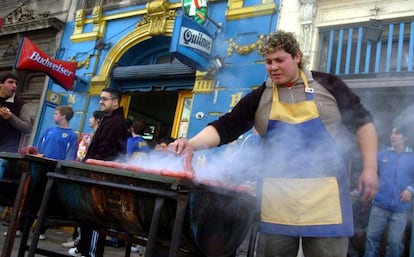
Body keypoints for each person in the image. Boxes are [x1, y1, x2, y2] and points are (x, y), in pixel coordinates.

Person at [169, 30, 379, 257]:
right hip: (277, 199)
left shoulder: (328, 85)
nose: (273, 67)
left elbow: (363, 123)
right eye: (268, 62)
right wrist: (190, 143)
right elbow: (226, 126)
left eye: (280, 60)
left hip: (325, 199)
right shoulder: (261, 96)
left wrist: (370, 168)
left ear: (297, 57)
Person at [69, 88, 129, 257]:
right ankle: (84, 248)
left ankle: (91, 252)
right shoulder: (109, 120)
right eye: (100, 98)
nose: (101, 101)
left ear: (115, 102)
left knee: (96, 216)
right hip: (95, 174)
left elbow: (106, 152)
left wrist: (93, 168)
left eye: (105, 99)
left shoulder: (116, 122)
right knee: (89, 215)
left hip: (101, 176)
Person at [363, 126, 414, 257]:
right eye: (392, 133)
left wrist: (410, 189)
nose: (393, 136)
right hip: (379, 206)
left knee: (395, 243)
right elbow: (371, 173)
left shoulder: (412, 157)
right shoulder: (382, 155)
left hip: (400, 209)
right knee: (371, 240)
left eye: (397, 133)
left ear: (406, 138)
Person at [0, 72, 32, 152]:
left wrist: (11, 116)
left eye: (16, 83)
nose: (14, 86)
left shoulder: (21, 105)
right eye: (10, 82)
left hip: (6, 151)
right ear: (1, 84)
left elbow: (27, 128)